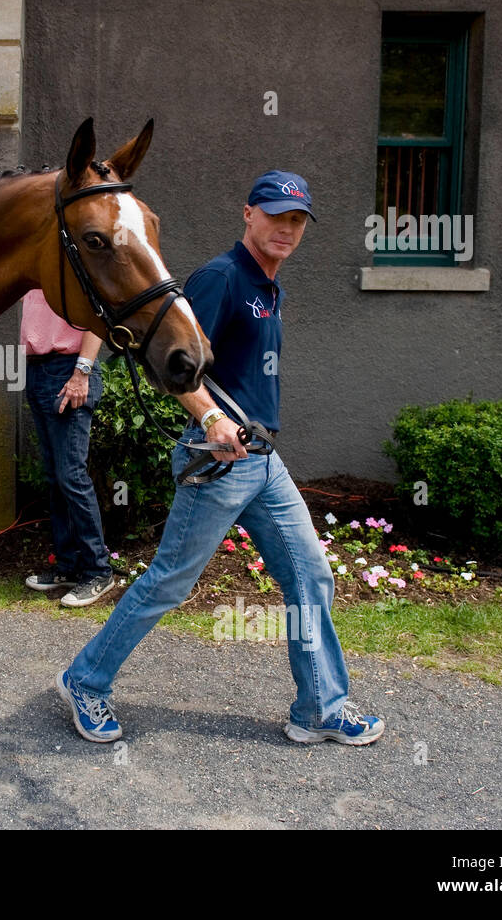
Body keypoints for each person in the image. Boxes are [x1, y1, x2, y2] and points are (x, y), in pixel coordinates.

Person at [56, 171, 385, 746]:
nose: (286, 227)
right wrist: (211, 417)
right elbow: (172, 362)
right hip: (219, 458)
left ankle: (319, 708)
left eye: (297, 220)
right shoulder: (222, 277)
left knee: (310, 575)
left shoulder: (267, 285)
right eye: (275, 214)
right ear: (247, 214)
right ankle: (85, 680)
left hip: (262, 459)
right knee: (169, 583)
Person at [21, 288, 115, 608]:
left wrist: (82, 372)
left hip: (69, 370)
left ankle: (98, 571)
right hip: (37, 370)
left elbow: (98, 315)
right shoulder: (37, 263)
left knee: (71, 476)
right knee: (56, 478)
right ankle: (69, 566)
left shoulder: (75, 258)